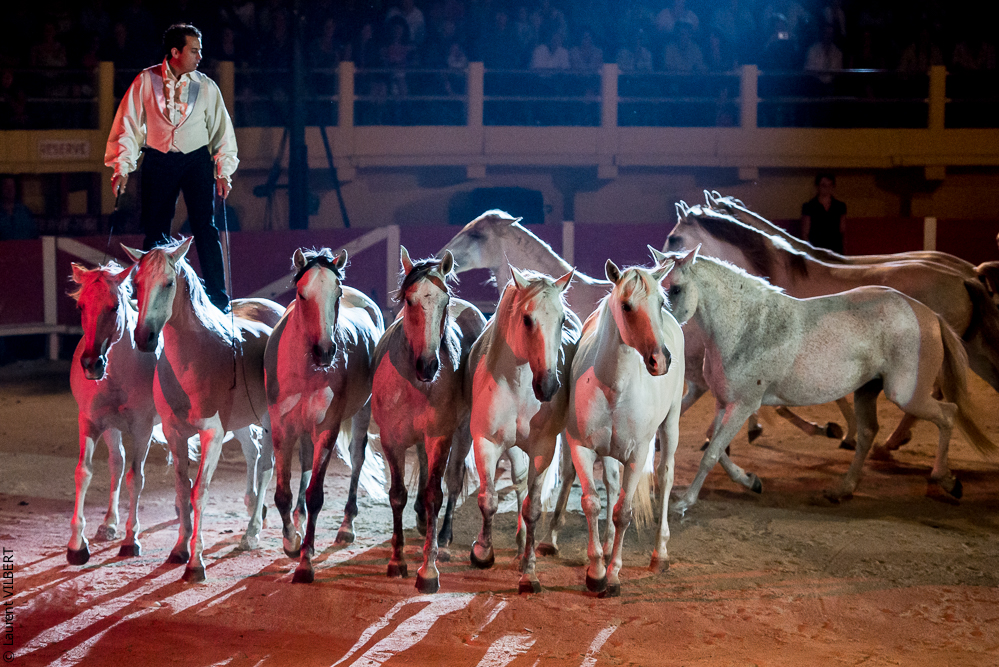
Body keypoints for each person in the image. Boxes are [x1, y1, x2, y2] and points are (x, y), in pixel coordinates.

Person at [104, 23, 237, 312]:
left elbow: (221, 131)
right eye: (194, 50)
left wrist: (223, 171)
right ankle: (151, 298)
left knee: (205, 227)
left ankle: (218, 297)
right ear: (175, 52)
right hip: (158, 158)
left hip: (196, 159)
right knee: (155, 232)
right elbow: (128, 125)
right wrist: (122, 167)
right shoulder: (146, 81)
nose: (200, 56)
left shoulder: (206, 86)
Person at [801, 172, 846, 253]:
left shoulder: (840, 206)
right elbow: (805, 232)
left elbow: (842, 231)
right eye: (824, 185)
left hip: (835, 248)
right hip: (817, 249)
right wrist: (809, 252)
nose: (827, 188)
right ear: (818, 186)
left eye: (830, 185)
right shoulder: (809, 206)